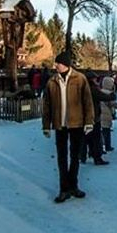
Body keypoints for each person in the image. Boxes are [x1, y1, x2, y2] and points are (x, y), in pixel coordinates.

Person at [42, 53, 95, 203]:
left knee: (75, 156)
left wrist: (89, 121)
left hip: (76, 123)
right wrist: (46, 125)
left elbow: (87, 101)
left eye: (57, 63)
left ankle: (74, 185)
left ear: (65, 64)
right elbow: (46, 105)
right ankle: (63, 189)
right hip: (60, 124)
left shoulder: (80, 79)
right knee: (61, 157)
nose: (55, 66)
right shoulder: (52, 81)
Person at [99, 75, 117, 152]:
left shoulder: (99, 91)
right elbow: (114, 105)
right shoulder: (109, 94)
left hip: (99, 114)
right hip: (106, 115)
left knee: (103, 132)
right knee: (106, 132)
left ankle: (104, 146)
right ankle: (106, 146)